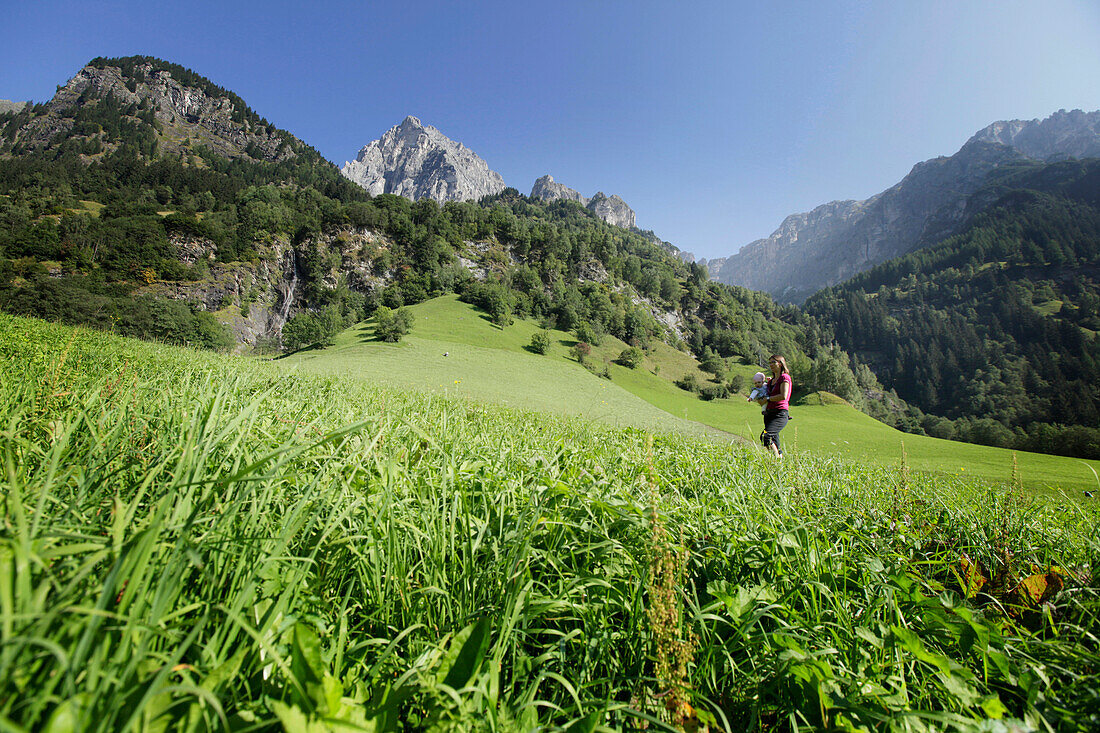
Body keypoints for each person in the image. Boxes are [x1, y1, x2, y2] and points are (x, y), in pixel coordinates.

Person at [755, 354, 792, 458]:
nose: (771, 364)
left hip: (780, 413)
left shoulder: (785, 377)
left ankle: (775, 461)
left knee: (765, 436)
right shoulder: (771, 381)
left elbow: (783, 396)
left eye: (773, 362)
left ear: (780, 364)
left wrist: (767, 399)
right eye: (770, 362)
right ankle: (779, 459)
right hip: (769, 413)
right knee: (774, 441)